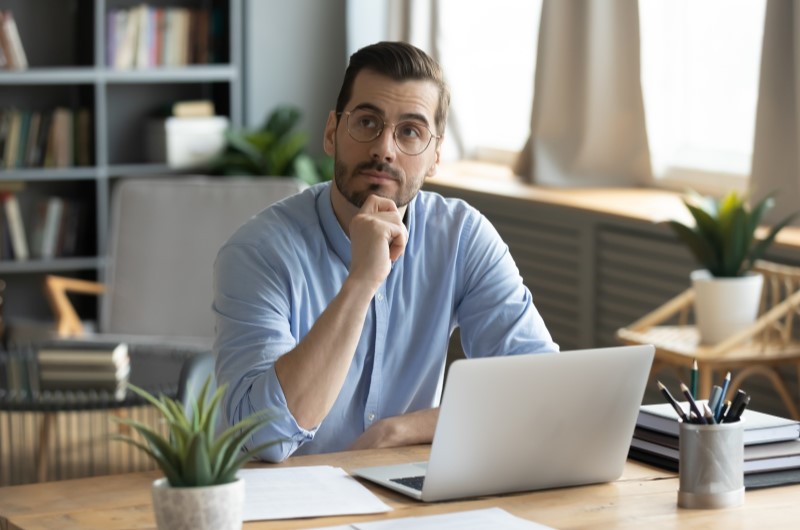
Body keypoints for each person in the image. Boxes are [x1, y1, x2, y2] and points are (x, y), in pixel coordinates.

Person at [213, 41, 558, 463]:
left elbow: (542, 388)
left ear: (434, 157)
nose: (384, 149)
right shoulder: (257, 253)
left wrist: (401, 430)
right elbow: (264, 437)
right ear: (330, 133)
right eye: (367, 122)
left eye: (410, 131)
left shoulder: (462, 237)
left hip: (404, 497)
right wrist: (361, 282)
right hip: (286, 504)